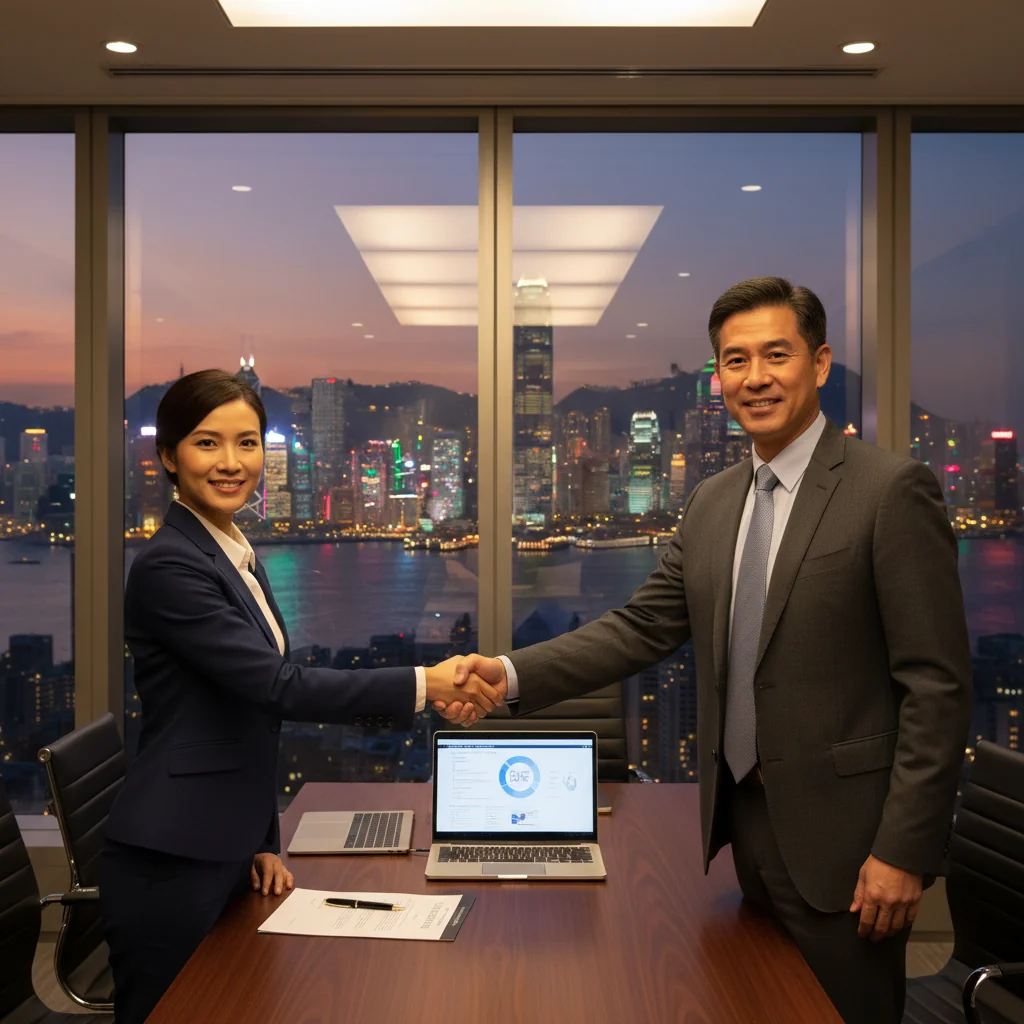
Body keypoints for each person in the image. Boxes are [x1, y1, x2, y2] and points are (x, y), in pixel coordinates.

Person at [438, 277, 972, 1024]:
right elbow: (641, 627)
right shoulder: (714, 500)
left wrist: (904, 850)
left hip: (851, 850)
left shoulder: (889, 491)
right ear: (717, 377)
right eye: (735, 360)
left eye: (776, 355)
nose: (755, 377)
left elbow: (937, 687)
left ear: (819, 364)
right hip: (743, 834)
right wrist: (507, 672)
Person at [101, 369, 496, 1024]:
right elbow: (275, 687)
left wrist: (260, 840)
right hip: (171, 860)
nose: (232, 462)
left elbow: (241, 716)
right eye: (207, 443)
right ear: (168, 456)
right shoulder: (170, 564)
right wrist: (424, 684)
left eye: (247, 443)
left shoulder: (231, 552)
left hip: (221, 846)